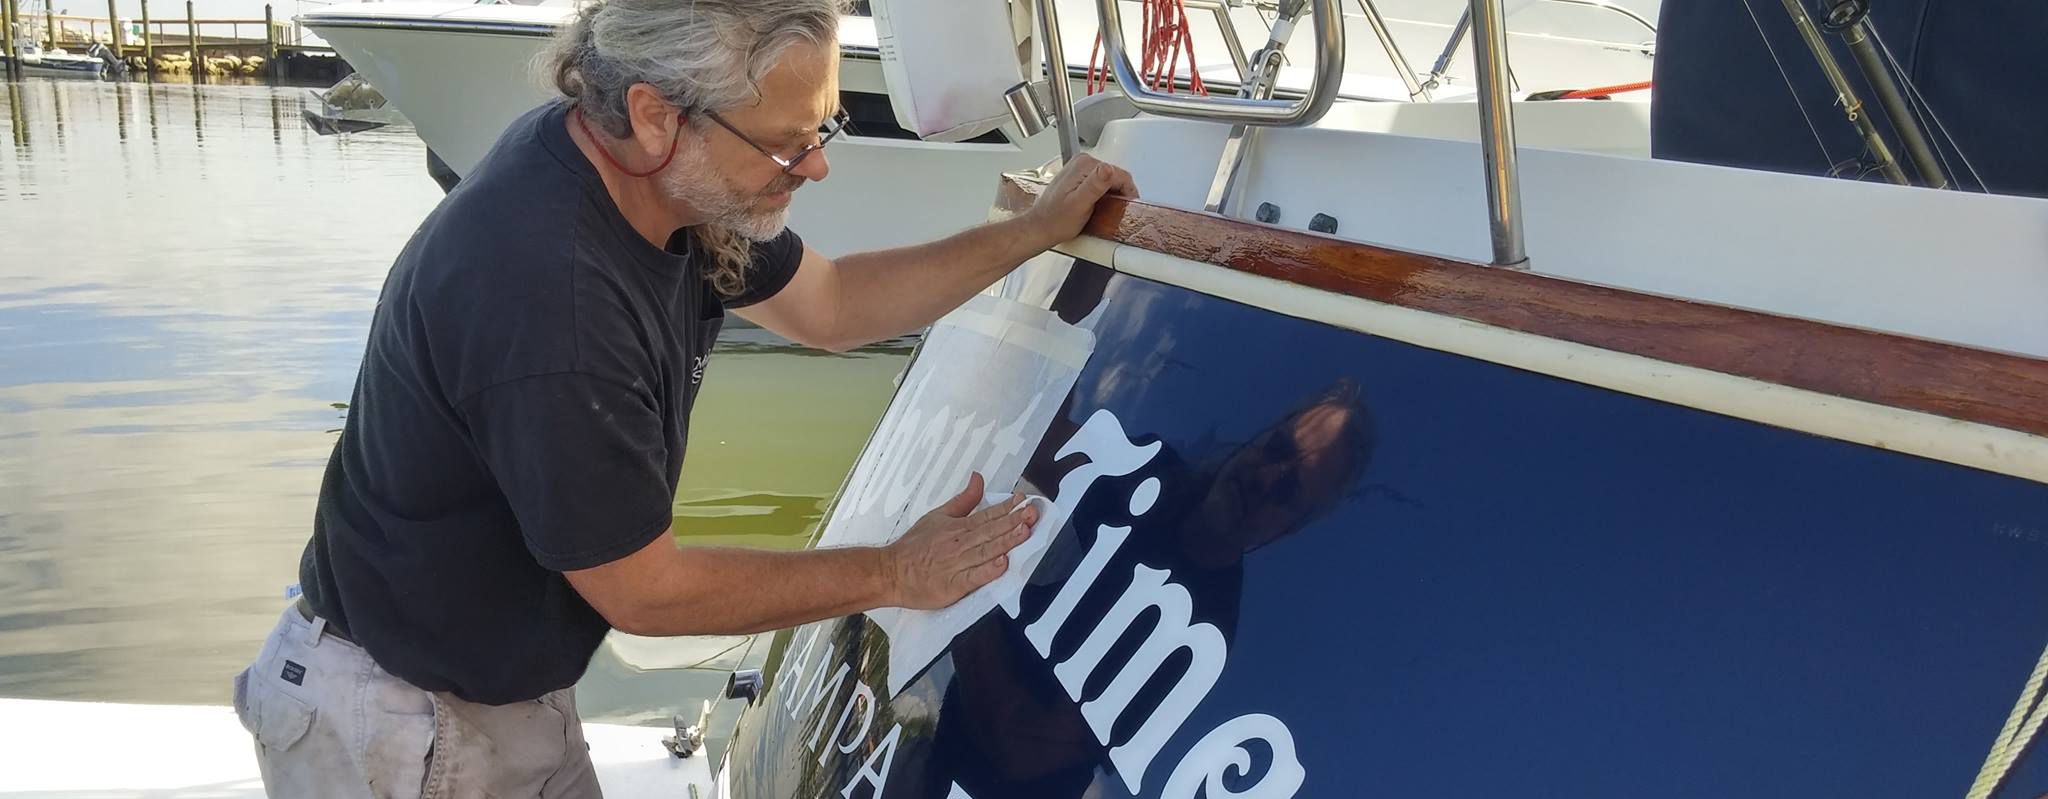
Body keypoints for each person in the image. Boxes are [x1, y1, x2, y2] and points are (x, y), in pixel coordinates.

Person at [228, 0, 1138, 794]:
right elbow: (645, 590)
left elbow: (832, 304)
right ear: (655, 114)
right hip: (398, 725)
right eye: (787, 143)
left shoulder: (661, 185)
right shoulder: (551, 294)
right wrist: (895, 571)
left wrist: (1028, 234)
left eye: (821, 130)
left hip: (507, 693)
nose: (814, 168)